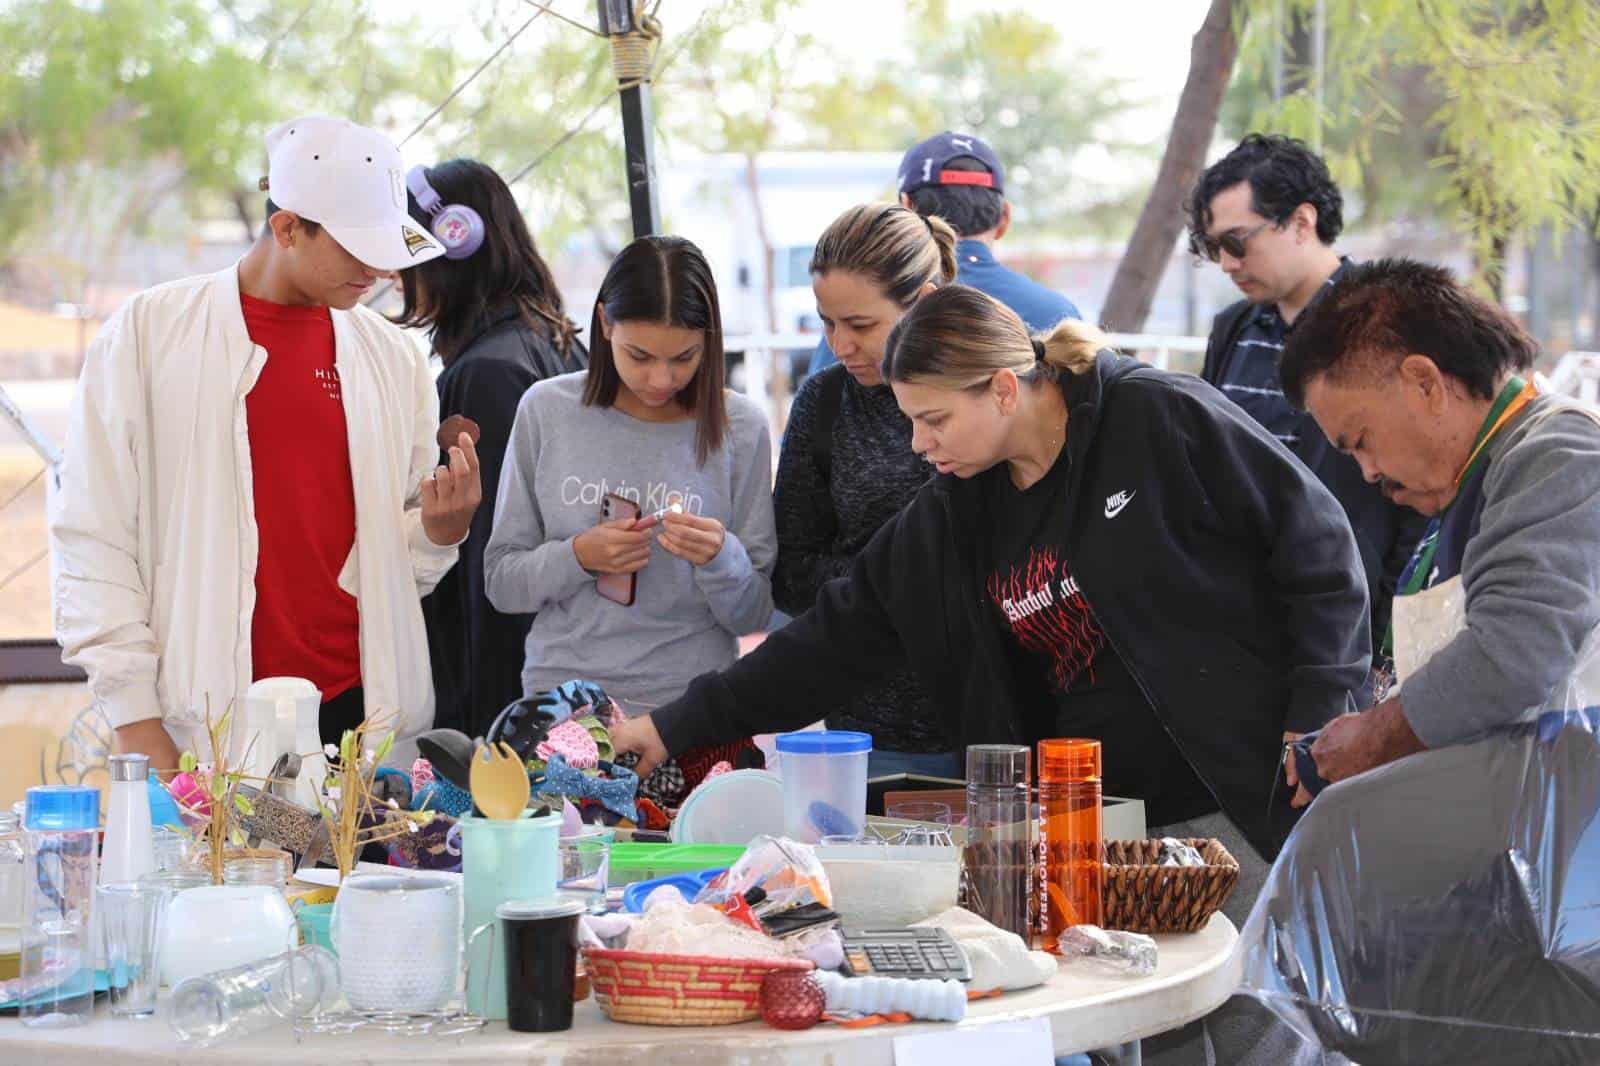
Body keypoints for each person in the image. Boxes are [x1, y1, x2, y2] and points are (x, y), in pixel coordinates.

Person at [615, 282, 1371, 866]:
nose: (918, 444)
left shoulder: (1156, 415)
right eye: (910, 420)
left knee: (1246, 1024)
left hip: (1228, 798)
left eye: (935, 420)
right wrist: (674, 725)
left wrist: (1321, 710)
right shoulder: (955, 511)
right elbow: (834, 638)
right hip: (1092, 821)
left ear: (1004, 389)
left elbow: (1317, 542)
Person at [51, 116, 481, 772]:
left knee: (347, 878)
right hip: (209, 729)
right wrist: (139, 729)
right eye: (356, 249)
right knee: (232, 875)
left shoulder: (392, 357)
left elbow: (401, 564)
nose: (377, 271)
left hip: (360, 721)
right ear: (287, 229)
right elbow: (92, 538)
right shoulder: (148, 336)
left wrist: (440, 531)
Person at [1277, 258, 1600, 786]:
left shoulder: (1559, 455)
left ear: (1425, 384)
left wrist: (1373, 738)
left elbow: (1511, 656)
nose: (1369, 471)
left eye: (1360, 441)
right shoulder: (1472, 477)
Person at [483, 236, 776, 716]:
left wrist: (722, 558)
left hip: (692, 709)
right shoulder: (547, 409)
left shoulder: (741, 426)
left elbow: (753, 614)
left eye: (684, 358)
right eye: (639, 355)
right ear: (604, 323)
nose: (661, 380)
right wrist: (578, 556)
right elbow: (501, 583)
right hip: (564, 706)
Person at [1190, 134, 1427, 663]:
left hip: (1353, 628)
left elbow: (1423, 486)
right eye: (1212, 249)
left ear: (1302, 222)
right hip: (1246, 625)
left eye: (1236, 241)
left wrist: (1388, 627)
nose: (1227, 264)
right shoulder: (1233, 329)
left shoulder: (1389, 318)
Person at [395, 158, 587, 738]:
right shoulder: (549, 342)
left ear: (454, 242)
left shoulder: (490, 375)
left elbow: (493, 569)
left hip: (503, 698)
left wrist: (488, 730)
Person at [775, 203, 960, 777]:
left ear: (924, 301)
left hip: (1001, 727)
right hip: (864, 731)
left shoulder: (993, 390)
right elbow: (789, 572)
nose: (839, 344)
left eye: (860, 326)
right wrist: (893, 581)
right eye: (827, 322)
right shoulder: (824, 402)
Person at [807, 131, 1080, 376]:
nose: (842, 346)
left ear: (905, 209)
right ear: (1005, 217)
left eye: (861, 325)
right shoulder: (1059, 314)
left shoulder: (861, 299)